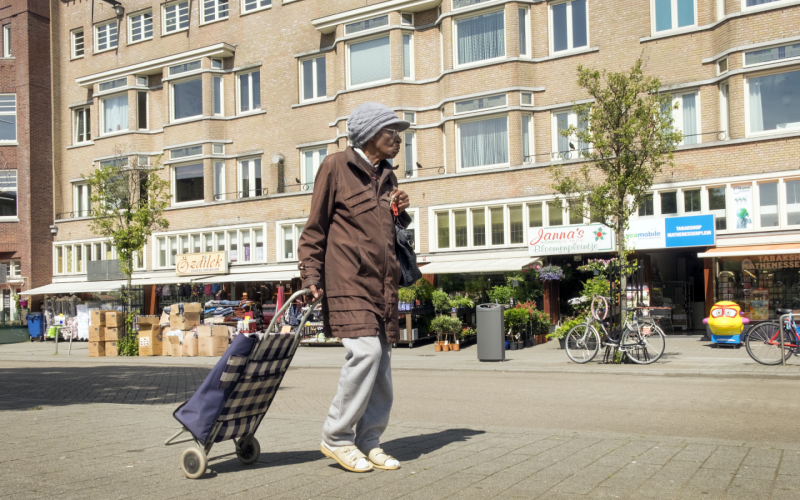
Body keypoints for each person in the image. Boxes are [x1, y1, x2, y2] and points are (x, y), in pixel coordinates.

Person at [298, 102, 412, 473]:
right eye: (390, 132)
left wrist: (401, 211)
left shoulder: (388, 176)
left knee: (382, 365)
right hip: (347, 280)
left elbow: (390, 234)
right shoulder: (335, 167)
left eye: (398, 133)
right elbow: (314, 228)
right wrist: (311, 276)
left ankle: (369, 440)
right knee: (365, 354)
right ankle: (336, 437)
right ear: (368, 135)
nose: (397, 139)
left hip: (384, 285)